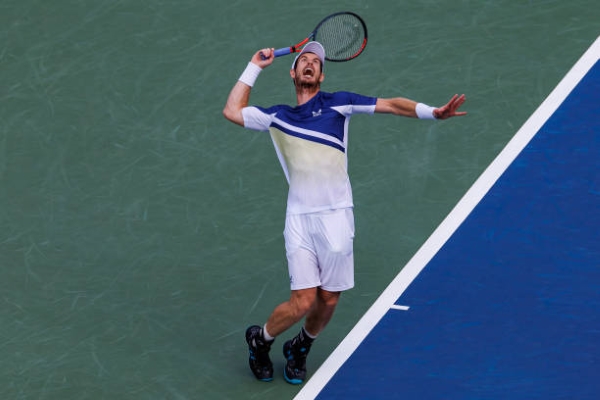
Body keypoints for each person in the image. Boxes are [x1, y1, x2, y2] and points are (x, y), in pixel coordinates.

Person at [223, 41, 467, 385]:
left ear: (321, 75)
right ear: (293, 73)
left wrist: (432, 112)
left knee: (329, 298)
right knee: (302, 302)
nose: (309, 63)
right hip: (299, 220)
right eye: (303, 60)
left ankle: (301, 346)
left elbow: (393, 105)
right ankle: (259, 340)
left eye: (315, 62)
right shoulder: (277, 116)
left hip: (337, 216)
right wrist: (255, 67)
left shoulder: (338, 104)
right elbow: (232, 111)